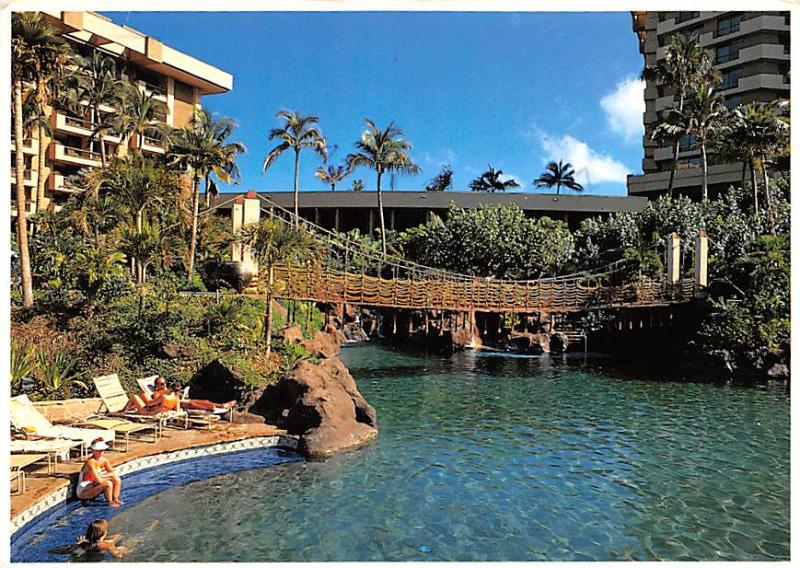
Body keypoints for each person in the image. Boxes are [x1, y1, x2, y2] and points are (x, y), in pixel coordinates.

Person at [134, 376, 236, 413]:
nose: (164, 385)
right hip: (174, 405)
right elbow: (159, 402)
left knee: (203, 401)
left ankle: (221, 405)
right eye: (161, 384)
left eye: (165, 383)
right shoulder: (156, 393)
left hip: (178, 401)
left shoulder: (167, 390)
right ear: (156, 385)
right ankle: (211, 408)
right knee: (191, 404)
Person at [76, 439, 122, 507]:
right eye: (98, 450)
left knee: (117, 479)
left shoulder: (103, 460)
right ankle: (110, 502)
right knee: (108, 484)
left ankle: (116, 499)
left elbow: (112, 472)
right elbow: (98, 480)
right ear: (93, 450)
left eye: (102, 450)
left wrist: (108, 476)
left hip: (93, 485)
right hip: (84, 491)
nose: (100, 452)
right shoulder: (90, 462)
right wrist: (107, 476)